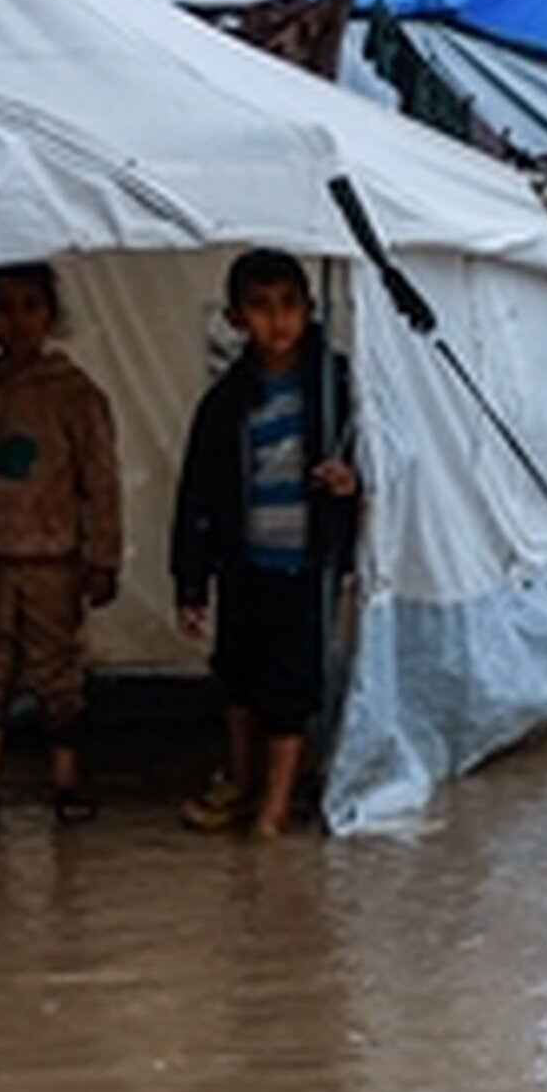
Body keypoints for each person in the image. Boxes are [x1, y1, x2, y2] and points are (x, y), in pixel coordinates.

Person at [170, 248, 359, 837]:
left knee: (290, 689)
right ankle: (242, 782)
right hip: (243, 564)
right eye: (260, 308)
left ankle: (274, 811)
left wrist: (351, 483)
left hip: (306, 565)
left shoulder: (337, 389)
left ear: (309, 310)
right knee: (238, 678)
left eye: (288, 307)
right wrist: (192, 580)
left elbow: (387, 457)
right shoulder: (225, 404)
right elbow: (197, 496)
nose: (277, 322)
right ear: (234, 318)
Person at [0, 260, 122, 824]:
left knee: (56, 667)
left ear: (51, 315)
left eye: (30, 307)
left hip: (51, 559)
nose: (17, 322)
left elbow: (100, 484)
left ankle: (65, 779)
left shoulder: (76, 396)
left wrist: (102, 556)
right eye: (3, 308)